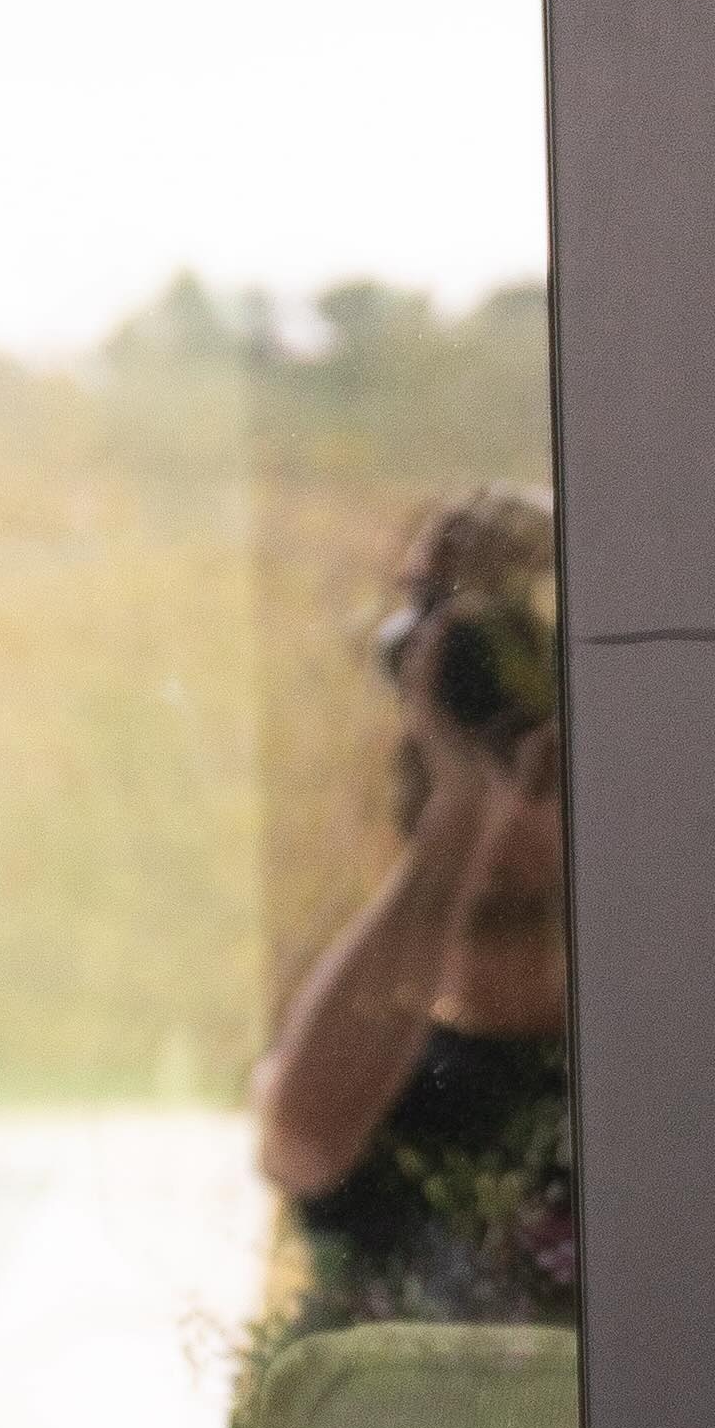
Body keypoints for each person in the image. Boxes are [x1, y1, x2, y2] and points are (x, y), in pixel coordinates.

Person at [248, 486, 573, 1338]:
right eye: (429, 780)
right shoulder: (375, 1040)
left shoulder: (655, 1044)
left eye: (542, 771)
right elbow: (300, 1144)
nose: (510, 809)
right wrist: (459, 813)